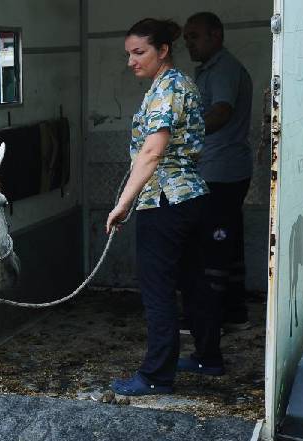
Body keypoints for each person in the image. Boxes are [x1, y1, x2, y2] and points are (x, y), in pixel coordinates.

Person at [106, 18, 221, 396]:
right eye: (129, 54)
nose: (131, 61)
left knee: (158, 290)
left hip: (165, 201)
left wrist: (123, 204)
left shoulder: (166, 89)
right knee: (194, 282)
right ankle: (208, 357)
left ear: (163, 50)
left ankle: (156, 375)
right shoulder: (178, 84)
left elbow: (152, 152)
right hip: (191, 198)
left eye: (139, 53)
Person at [184, 11, 253, 331]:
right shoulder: (210, 69)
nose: (189, 43)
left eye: (194, 36)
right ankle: (235, 312)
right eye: (186, 37)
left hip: (220, 171)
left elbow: (222, 111)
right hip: (223, 169)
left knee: (211, 244)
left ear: (216, 35)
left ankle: (207, 320)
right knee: (228, 242)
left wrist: (184, 133)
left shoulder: (223, 68)